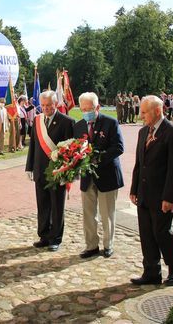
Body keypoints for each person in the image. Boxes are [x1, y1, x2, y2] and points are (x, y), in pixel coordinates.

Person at [129, 95, 173, 287]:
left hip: (162, 196)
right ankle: (151, 271)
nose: (141, 115)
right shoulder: (143, 132)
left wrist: (170, 197)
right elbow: (139, 163)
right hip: (144, 194)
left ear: (157, 111)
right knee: (146, 234)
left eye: (144, 112)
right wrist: (134, 188)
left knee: (162, 233)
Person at [74, 92, 124, 259]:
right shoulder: (79, 126)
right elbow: (75, 149)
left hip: (107, 175)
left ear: (97, 107)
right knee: (88, 214)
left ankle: (108, 244)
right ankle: (91, 245)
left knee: (106, 213)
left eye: (89, 108)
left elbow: (118, 147)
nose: (86, 111)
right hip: (87, 177)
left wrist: (97, 158)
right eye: (83, 109)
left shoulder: (110, 122)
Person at [25, 91, 74, 252]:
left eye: (49, 105)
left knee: (57, 206)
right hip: (40, 169)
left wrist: (66, 173)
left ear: (55, 104)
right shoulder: (38, 120)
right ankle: (44, 235)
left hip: (57, 171)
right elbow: (33, 146)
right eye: (43, 105)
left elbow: (71, 150)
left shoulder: (67, 122)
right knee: (43, 204)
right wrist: (29, 167)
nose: (45, 108)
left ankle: (55, 238)